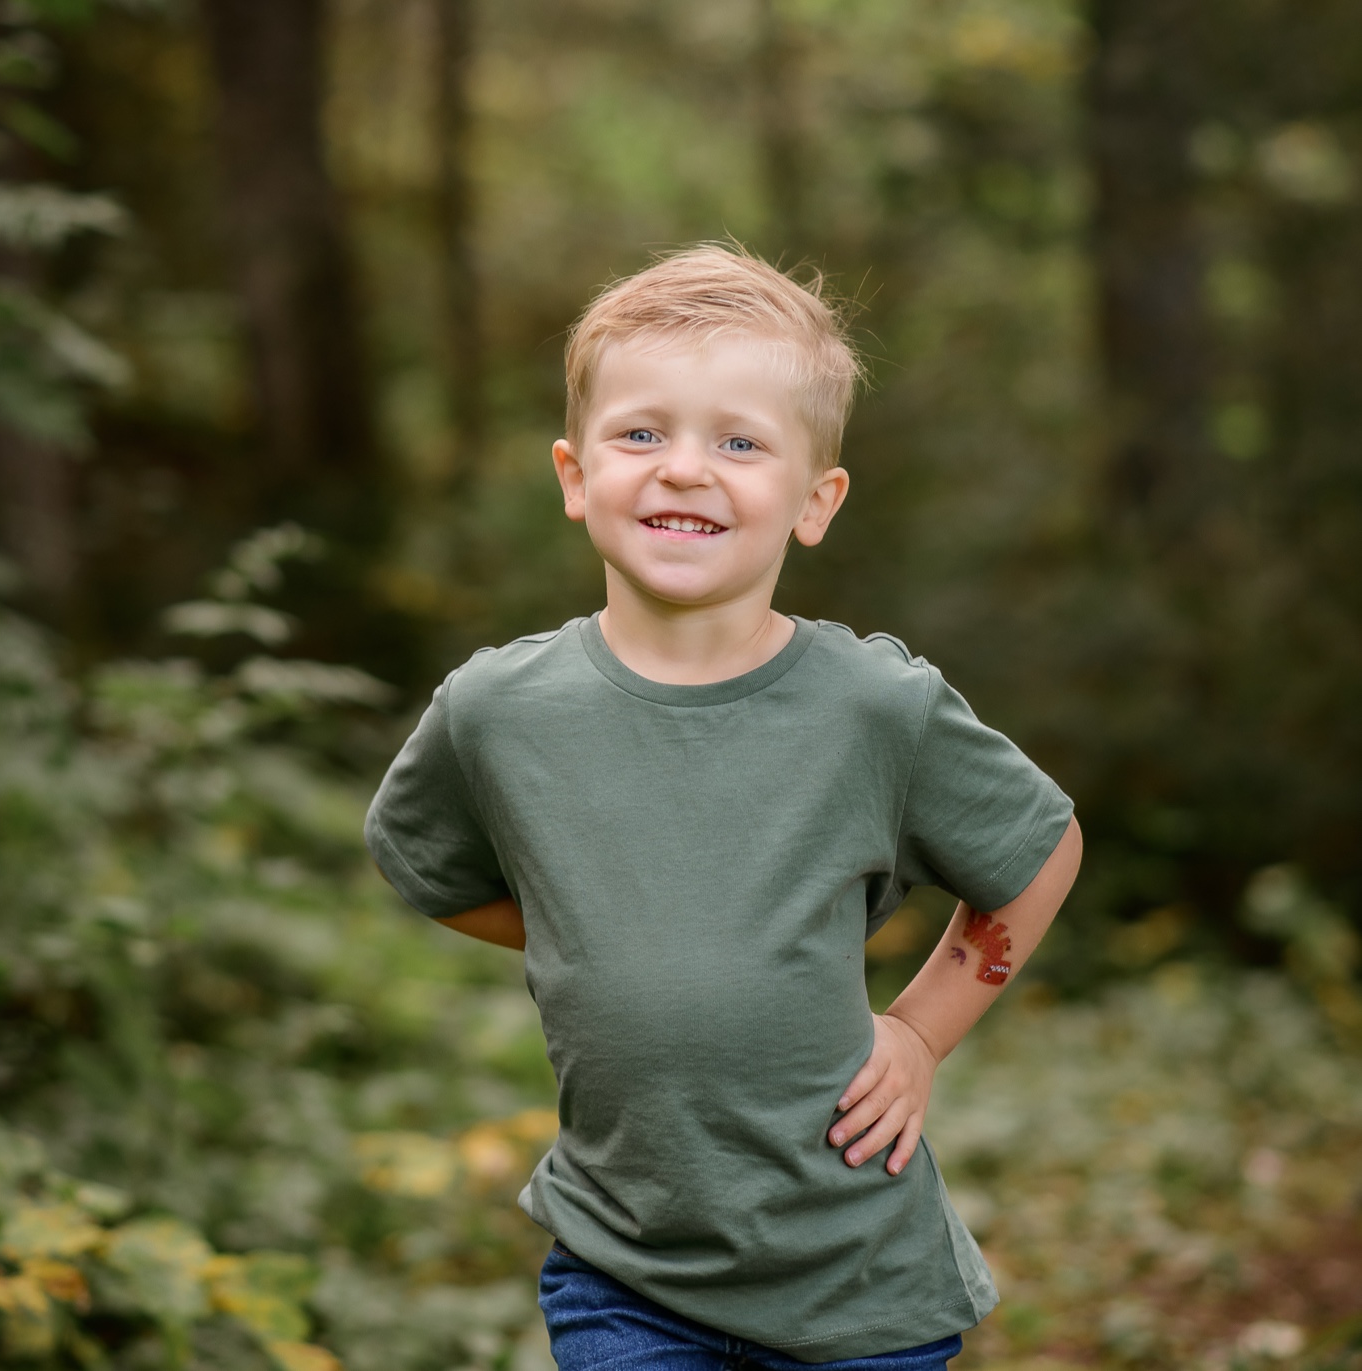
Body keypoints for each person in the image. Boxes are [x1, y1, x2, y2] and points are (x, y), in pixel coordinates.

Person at [365, 244, 1082, 1370]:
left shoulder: (874, 709)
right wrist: (589, 923)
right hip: (624, 1269)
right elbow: (432, 868)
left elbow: (1040, 853)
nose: (685, 470)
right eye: (641, 433)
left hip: (856, 1277)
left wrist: (918, 1032)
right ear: (573, 475)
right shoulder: (497, 710)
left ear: (815, 501)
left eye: (739, 443)